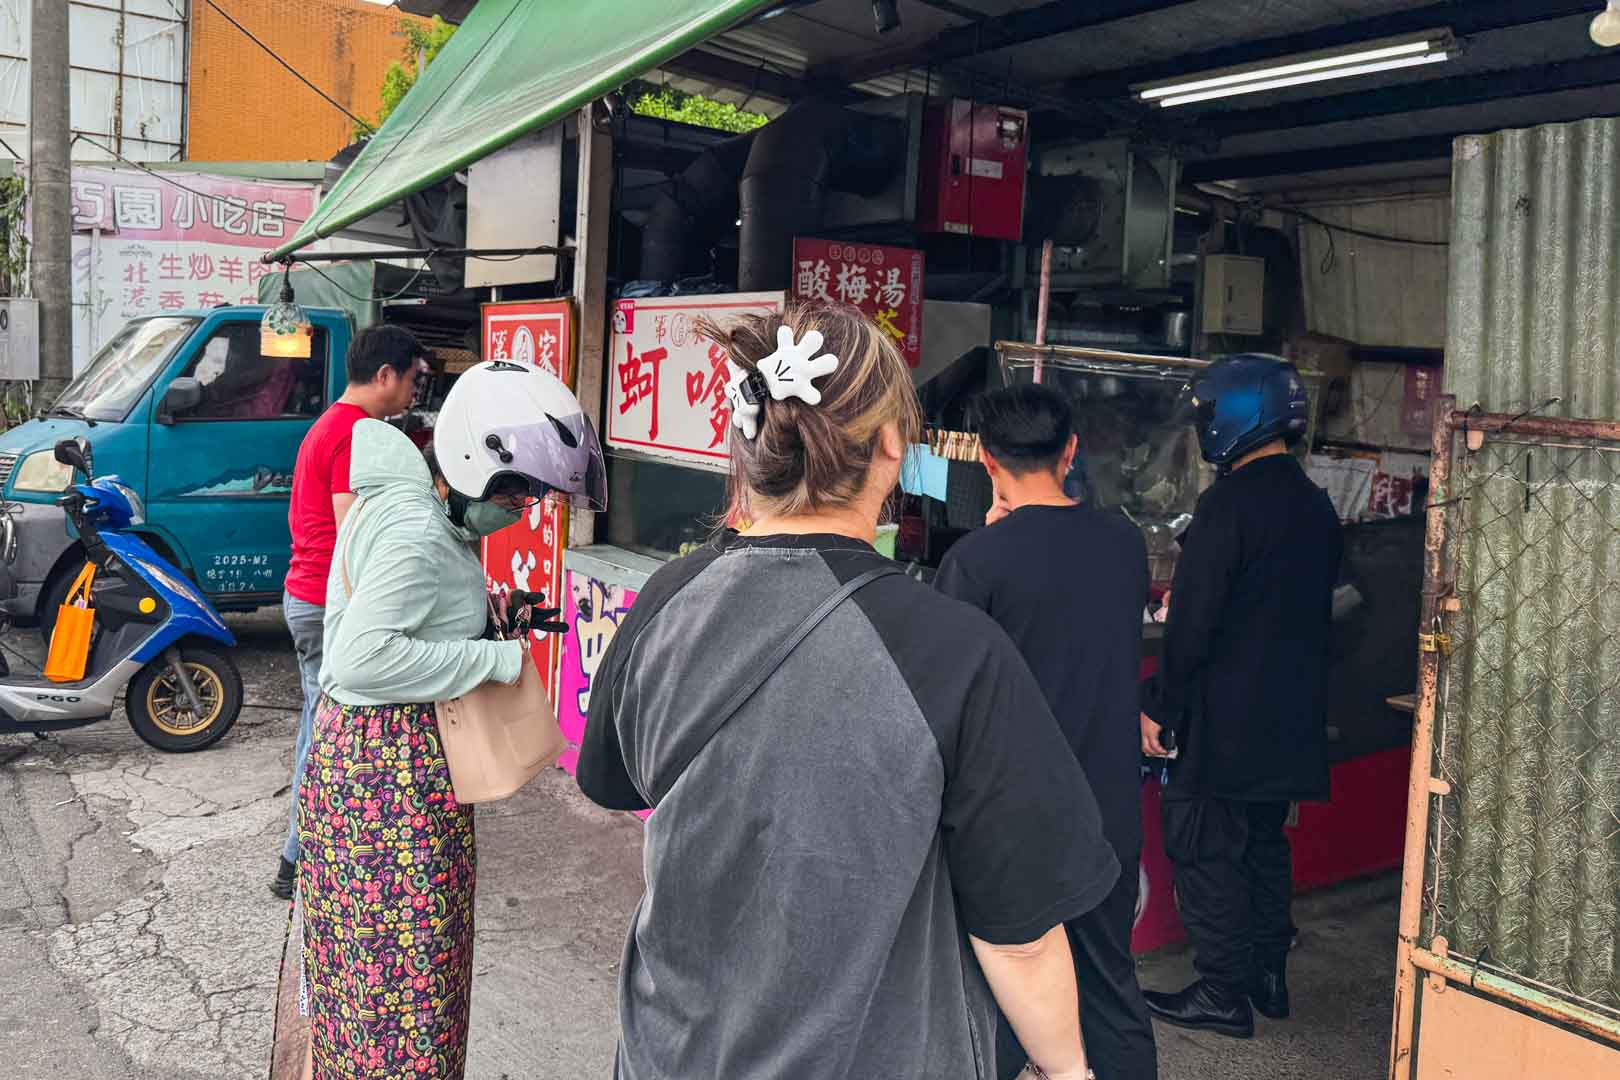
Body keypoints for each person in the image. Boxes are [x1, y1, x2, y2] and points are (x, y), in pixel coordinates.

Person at [578, 303, 1120, 1080]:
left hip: (672, 1051)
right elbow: (1020, 937)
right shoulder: (954, 650)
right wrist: (1068, 1071)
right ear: (893, 443)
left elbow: (611, 778)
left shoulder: (669, 598)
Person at [291, 359, 606, 1079]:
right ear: (468, 462)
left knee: (391, 980)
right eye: (517, 490)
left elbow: (407, 614)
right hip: (386, 786)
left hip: (383, 774)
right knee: (402, 989)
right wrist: (494, 662)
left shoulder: (423, 513)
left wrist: (494, 615)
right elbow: (360, 659)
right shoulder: (416, 530)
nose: (523, 507)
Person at [935, 384, 1158, 1080]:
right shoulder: (1124, 544)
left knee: (998, 994)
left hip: (1012, 811)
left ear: (988, 462)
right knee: (1109, 987)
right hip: (1110, 804)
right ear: (1070, 452)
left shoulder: (975, 563)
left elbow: (946, 698)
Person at [1139, 354, 1342, 1039]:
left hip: (1224, 718)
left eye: (1206, 413)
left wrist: (1162, 708)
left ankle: (1222, 991)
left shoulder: (1228, 505)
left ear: (1233, 418)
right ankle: (1267, 975)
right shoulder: (1314, 505)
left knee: (1203, 847)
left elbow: (1193, 627)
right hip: (1288, 717)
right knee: (1262, 844)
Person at [270, 324, 431, 900]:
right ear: (384, 375)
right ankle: (301, 859)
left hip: (308, 595)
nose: (416, 390)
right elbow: (355, 533)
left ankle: (304, 853)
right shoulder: (355, 434)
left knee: (323, 725)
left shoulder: (332, 425)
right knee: (327, 733)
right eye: (413, 378)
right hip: (323, 602)